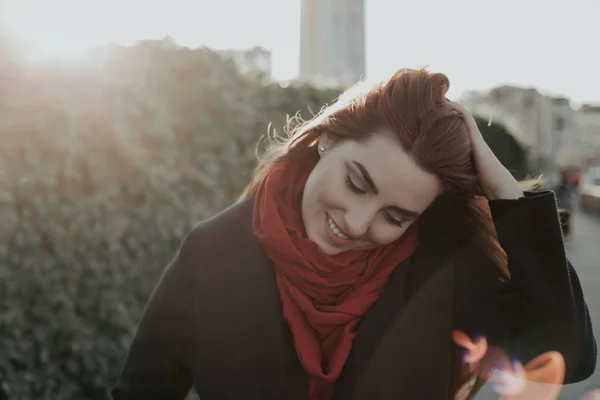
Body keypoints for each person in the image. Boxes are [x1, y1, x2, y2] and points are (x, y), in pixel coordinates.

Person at [111, 68, 596, 400]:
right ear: (327, 139)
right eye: (356, 183)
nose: (359, 223)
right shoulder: (213, 253)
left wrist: (505, 193)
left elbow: (565, 356)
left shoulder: (442, 275)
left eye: (396, 217)